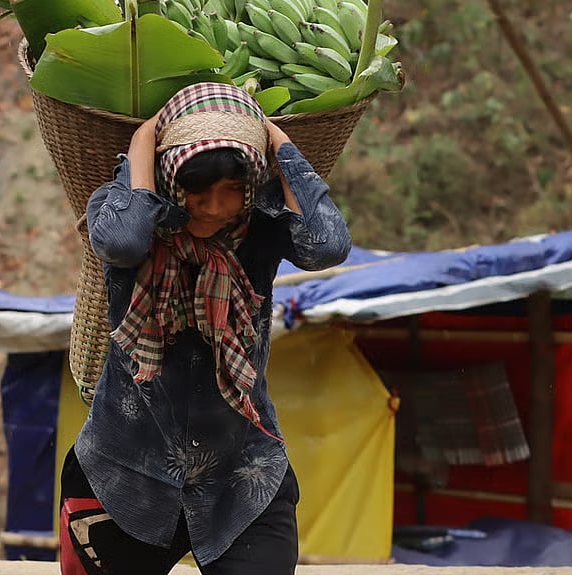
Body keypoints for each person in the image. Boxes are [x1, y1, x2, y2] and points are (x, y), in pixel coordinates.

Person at [58, 82, 352, 575]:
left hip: (243, 478)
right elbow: (124, 245)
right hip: (124, 475)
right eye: (198, 189)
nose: (215, 208)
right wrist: (145, 140)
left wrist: (276, 141)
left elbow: (327, 245)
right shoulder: (122, 211)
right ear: (169, 172)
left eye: (233, 189)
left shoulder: (262, 226)